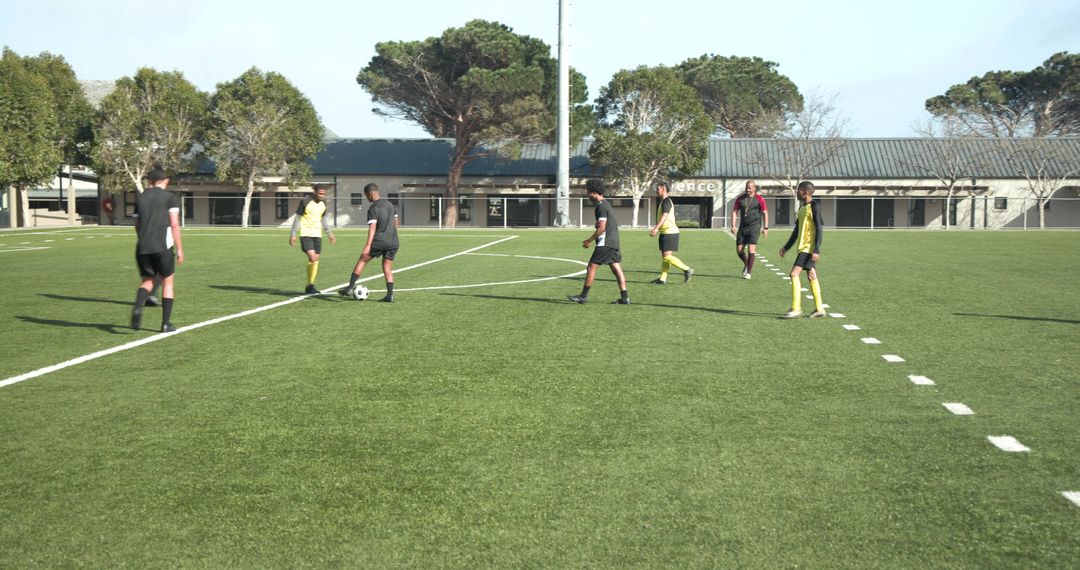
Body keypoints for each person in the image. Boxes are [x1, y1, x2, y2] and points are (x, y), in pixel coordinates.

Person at [130, 169, 184, 333]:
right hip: (162, 247)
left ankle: (137, 308)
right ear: (164, 181)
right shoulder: (169, 198)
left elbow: (137, 224)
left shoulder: (140, 197)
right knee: (168, 282)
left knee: (148, 280)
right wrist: (180, 248)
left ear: (150, 181)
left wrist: (143, 238)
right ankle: (165, 324)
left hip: (143, 247)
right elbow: (174, 224)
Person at [568, 179, 630, 305]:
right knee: (615, 267)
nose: (587, 195)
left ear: (594, 192)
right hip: (613, 241)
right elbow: (603, 224)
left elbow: (602, 228)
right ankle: (625, 298)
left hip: (605, 242)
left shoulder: (601, 206)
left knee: (591, 267)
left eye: (588, 192)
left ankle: (583, 297)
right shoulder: (606, 204)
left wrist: (588, 241)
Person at [342, 183, 398, 302]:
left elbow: (372, 227)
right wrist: (392, 233)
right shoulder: (389, 204)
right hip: (393, 241)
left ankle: (349, 288)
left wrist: (368, 246)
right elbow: (396, 220)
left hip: (379, 241)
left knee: (362, 259)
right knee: (387, 267)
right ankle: (390, 295)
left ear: (370, 193)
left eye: (366, 195)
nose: (367, 198)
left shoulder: (373, 208)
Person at [778, 180, 825, 318]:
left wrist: (816, 249)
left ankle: (796, 308)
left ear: (805, 192)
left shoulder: (815, 206)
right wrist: (786, 247)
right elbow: (796, 230)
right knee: (811, 275)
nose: (797, 192)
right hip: (803, 247)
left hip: (808, 248)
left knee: (794, 274)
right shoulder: (801, 208)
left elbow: (819, 228)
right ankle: (819, 309)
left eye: (798, 190)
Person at [289, 184, 336, 294]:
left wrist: (329, 233)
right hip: (306, 234)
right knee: (313, 258)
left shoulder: (323, 203)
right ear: (315, 192)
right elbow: (298, 217)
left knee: (315, 260)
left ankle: (310, 285)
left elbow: (323, 219)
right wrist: (293, 234)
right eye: (320, 193)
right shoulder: (305, 201)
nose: (322, 196)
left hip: (317, 235)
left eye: (324, 194)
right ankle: (310, 285)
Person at [648, 180, 694, 284]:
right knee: (665, 258)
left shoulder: (666, 201)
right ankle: (662, 279)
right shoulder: (664, 201)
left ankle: (687, 269)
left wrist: (656, 228)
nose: (656, 190)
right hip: (666, 232)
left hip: (669, 233)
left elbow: (664, 216)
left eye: (658, 188)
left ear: (663, 189)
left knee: (667, 257)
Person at [730, 180, 769, 279]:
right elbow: (735, 211)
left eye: (750, 188)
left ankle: (749, 272)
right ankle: (747, 264)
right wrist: (733, 225)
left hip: (754, 227)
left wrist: (766, 227)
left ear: (754, 188)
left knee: (751, 250)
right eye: (747, 187)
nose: (748, 189)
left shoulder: (759, 199)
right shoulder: (740, 199)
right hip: (743, 227)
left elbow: (765, 213)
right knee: (739, 250)